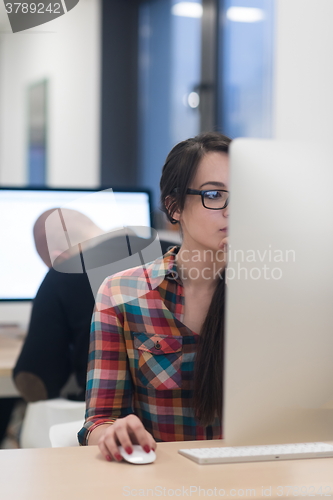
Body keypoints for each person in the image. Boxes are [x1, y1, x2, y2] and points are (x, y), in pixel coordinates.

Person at [78, 132, 230, 462]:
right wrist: (113, 433)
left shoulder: (274, 297)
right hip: (160, 482)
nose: (232, 211)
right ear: (174, 207)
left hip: (256, 479)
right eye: (215, 195)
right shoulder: (122, 294)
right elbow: (99, 421)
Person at [13, 208, 173, 402]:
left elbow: (36, 380)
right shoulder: (178, 253)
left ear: (60, 258)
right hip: (194, 416)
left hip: (110, 421)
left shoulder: (63, 274)